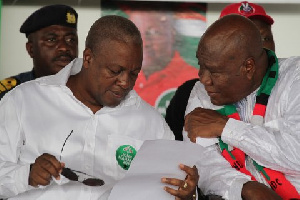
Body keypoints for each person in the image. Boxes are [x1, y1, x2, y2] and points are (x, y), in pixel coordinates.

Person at [0, 15, 198, 200]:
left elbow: (171, 185)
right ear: (88, 58)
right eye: (115, 71)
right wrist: (26, 175)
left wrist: (187, 193)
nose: (125, 82)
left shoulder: (150, 122)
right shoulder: (24, 100)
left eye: (134, 73)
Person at [184, 14, 300, 199]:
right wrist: (244, 188)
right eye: (201, 65)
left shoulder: (295, 77)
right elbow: (204, 162)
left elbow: (296, 154)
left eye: (214, 71)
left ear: (248, 67)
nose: (203, 79)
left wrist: (226, 127)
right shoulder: (201, 92)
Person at [165, 1, 276, 141]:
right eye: (237, 39)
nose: (254, 46)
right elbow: (173, 151)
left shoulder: (290, 87)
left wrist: (225, 127)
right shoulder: (191, 93)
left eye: (263, 38)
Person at [0, 4, 79, 100]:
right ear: (31, 49)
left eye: (71, 40)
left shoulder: (93, 91)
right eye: (52, 40)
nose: (64, 47)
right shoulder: (9, 95)